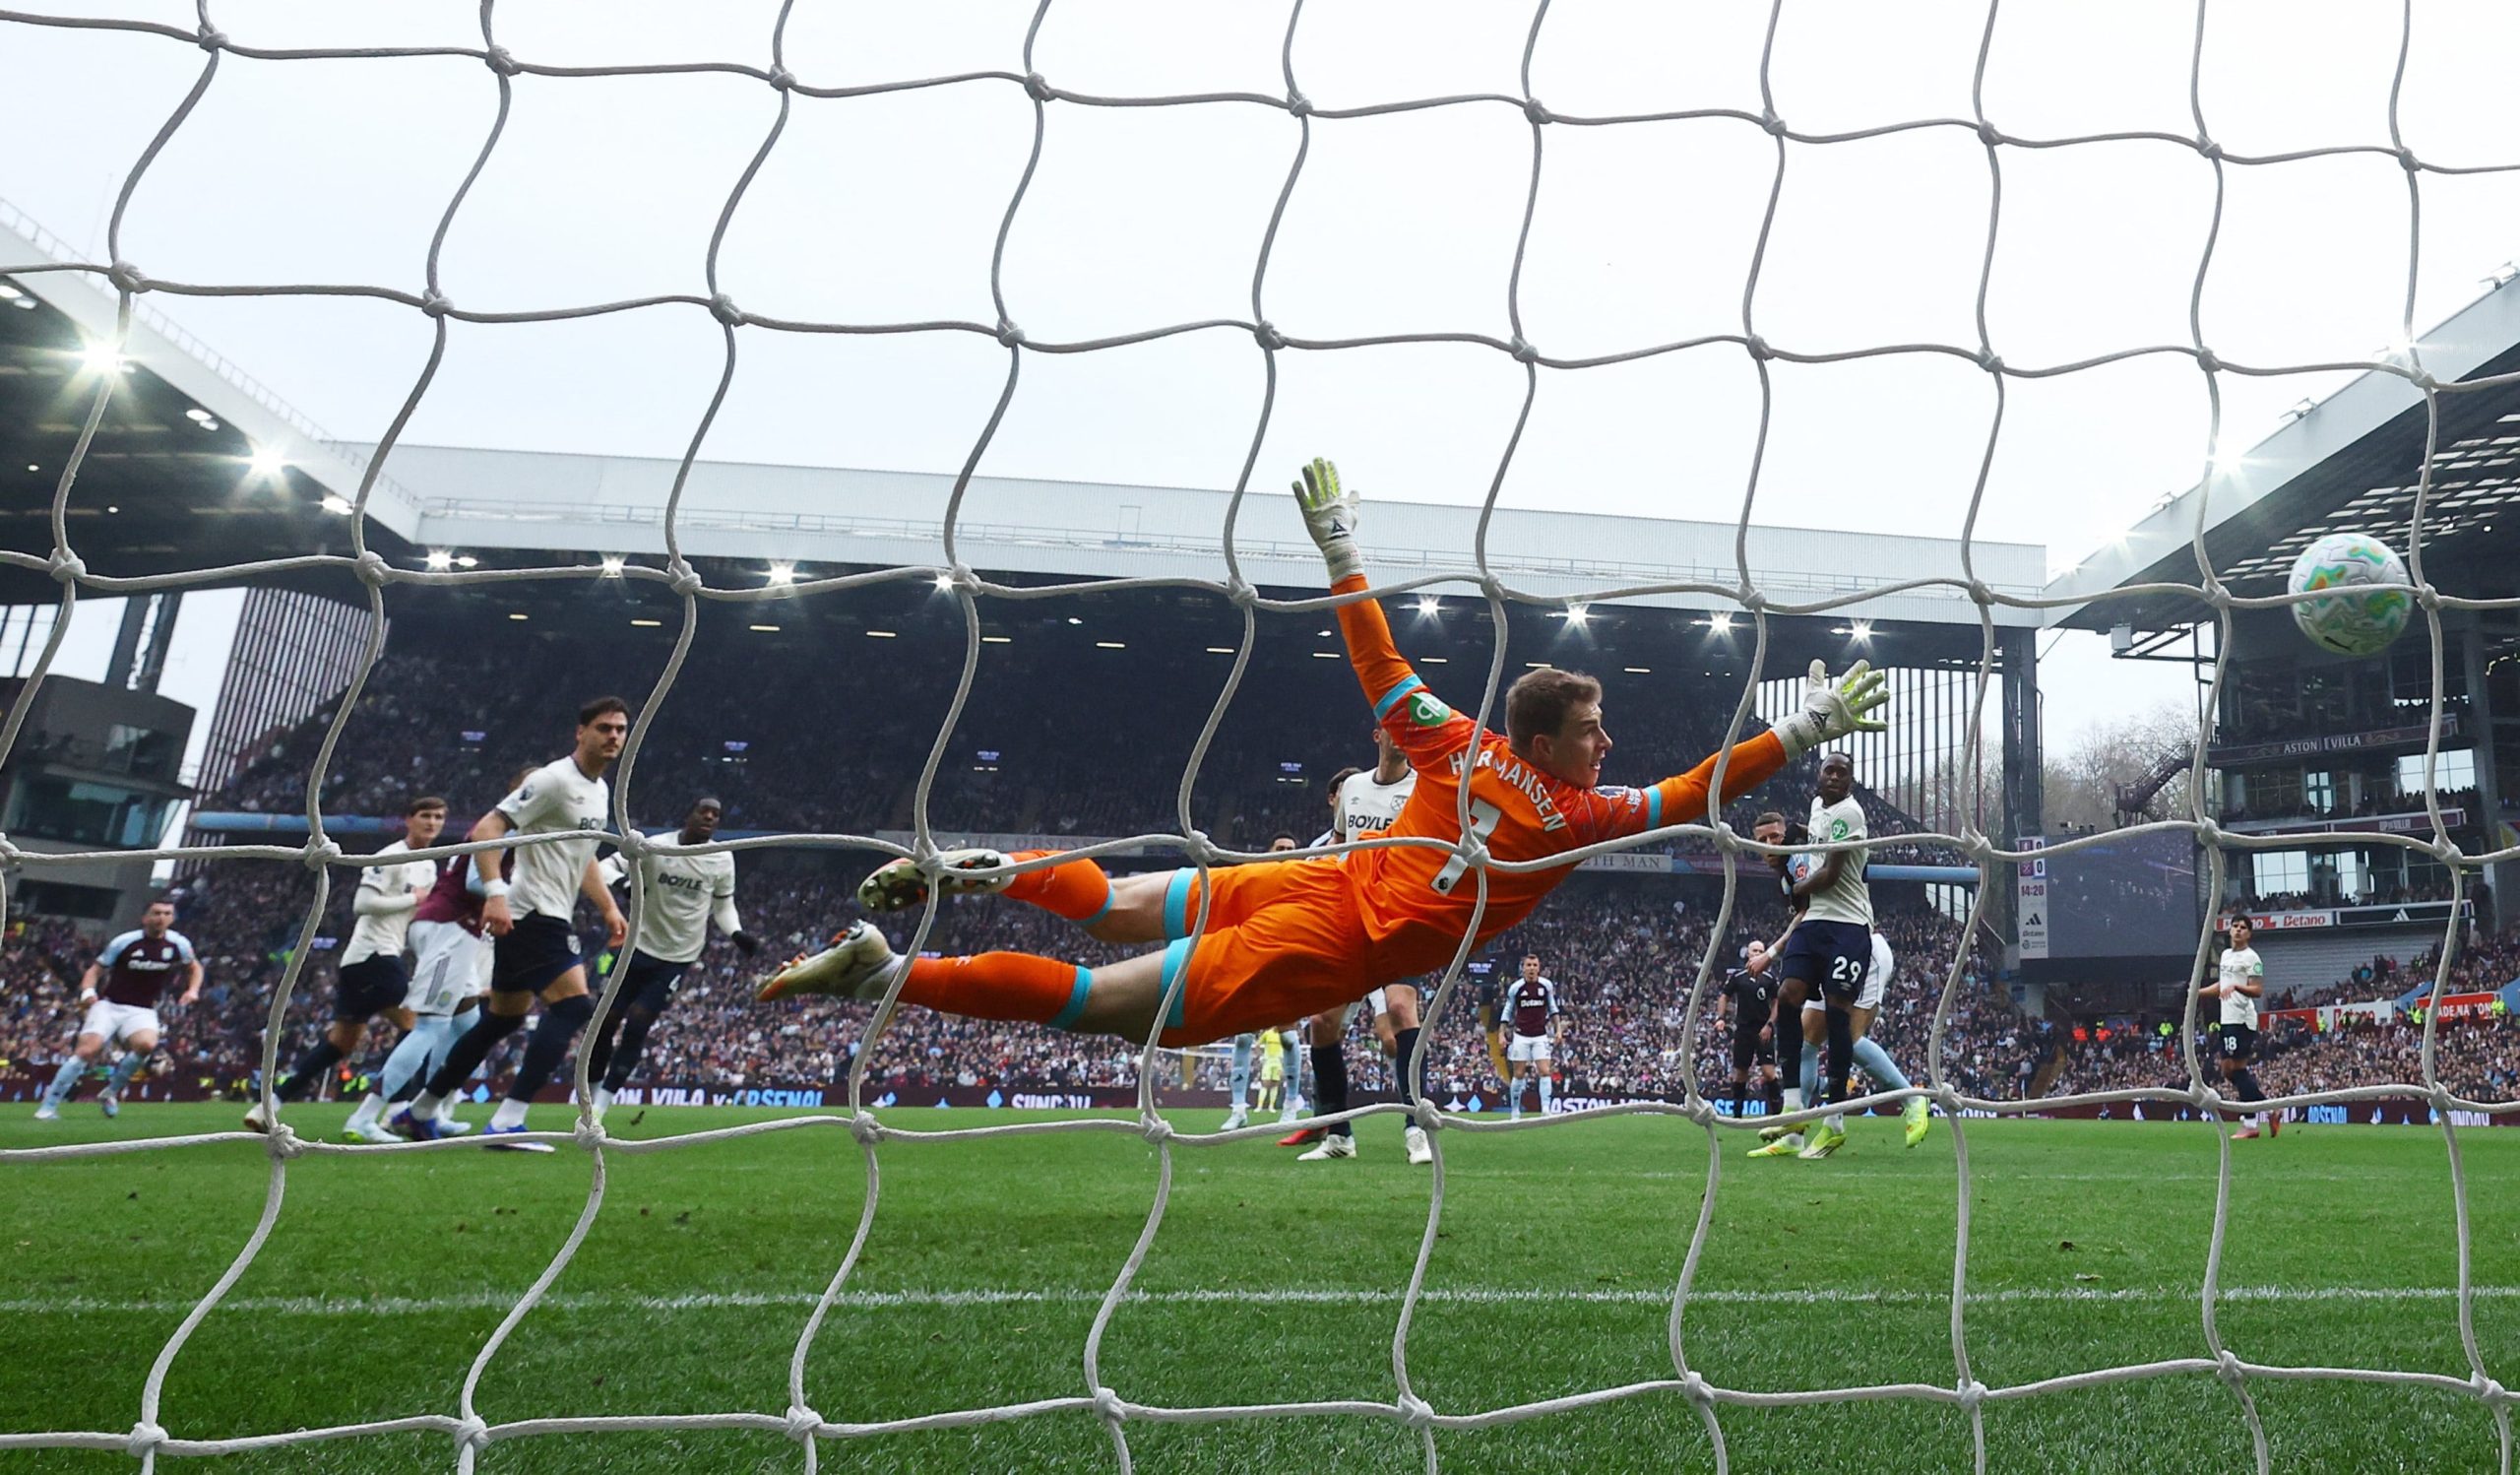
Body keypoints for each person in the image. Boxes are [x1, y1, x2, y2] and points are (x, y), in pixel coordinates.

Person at [761, 458, 1885, 1067]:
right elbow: (1696, 791)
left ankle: (995, 870)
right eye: (1593, 731)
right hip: (1336, 934)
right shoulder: (1576, 818)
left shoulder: (1460, 741)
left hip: (1315, 876)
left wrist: (1341, 549)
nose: (1607, 746)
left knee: (1115, 905)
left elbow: (1378, 660)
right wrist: (1801, 730)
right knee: (1108, 1005)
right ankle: (885, 970)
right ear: (1551, 740)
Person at [395, 699, 631, 1147]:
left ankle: (423, 1108)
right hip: (531, 913)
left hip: (543, 913)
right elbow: (487, 829)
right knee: (574, 1008)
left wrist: (607, 908)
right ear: (580, 732)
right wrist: (496, 894)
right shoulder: (552, 779)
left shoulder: (598, 790)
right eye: (604, 728)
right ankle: (508, 1120)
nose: (614, 736)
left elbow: (581, 859)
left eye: (620, 729)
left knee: (502, 1020)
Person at [248, 797, 444, 1133]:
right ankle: (391, 1112)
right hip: (373, 956)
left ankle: (269, 1105)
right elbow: (363, 903)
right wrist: (416, 899)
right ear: (408, 819)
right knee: (417, 1027)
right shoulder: (389, 856)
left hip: (367, 960)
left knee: (341, 1043)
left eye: (439, 817)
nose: (432, 822)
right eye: (425, 815)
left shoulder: (428, 864)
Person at [1294, 731, 1432, 1164]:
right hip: (1350, 914)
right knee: (1321, 1021)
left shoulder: (1423, 789)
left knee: (1401, 1009)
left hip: (1398, 913)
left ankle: (1416, 1130)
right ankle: (1339, 1135)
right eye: (1395, 729)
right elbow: (1339, 845)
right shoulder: (1353, 788)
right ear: (1378, 735)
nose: (1402, 738)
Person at [584, 798, 758, 1122]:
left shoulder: (721, 859)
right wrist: (623, 883)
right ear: (688, 814)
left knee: (637, 1022)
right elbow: (605, 867)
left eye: (716, 814)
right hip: (637, 947)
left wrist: (736, 934)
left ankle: (601, 1107)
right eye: (703, 811)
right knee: (605, 1024)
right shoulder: (655, 847)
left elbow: (723, 906)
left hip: (678, 957)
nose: (709, 817)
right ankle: (591, 1101)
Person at [34, 899, 201, 1121]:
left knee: (147, 1044)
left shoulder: (178, 944)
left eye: (167, 913)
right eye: (157, 913)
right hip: (110, 1005)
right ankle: (48, 1106)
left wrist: (193, 990)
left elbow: (194, 967)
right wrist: (88, 992)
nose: (162, 917)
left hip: (142, 1010)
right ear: (145, 918)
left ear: (172, 918)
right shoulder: (125, 942)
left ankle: (110, 1092)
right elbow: (95, 970)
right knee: (87, 1051)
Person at [2209, 915, 2276, 1140]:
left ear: (2249, 933)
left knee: (2235, 1069)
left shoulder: (2252, 958)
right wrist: (2198, 993)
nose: (2238, 930)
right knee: (2228, 1071)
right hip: (2227, 1019)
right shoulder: (2226, 955)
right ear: (2229, 931)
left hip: (2241, 1020)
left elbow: (2257, 990)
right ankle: (2270, 1108)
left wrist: (2238, 986)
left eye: (2243, 927)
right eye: (2235, 926)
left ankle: (2250, 1124)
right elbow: (2223, 985)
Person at [1717, 940, 1784, 1122]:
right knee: (1740, 1073)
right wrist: (1721, 1017)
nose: (1758, 953)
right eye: (1755, 950)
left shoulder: (1769, 979)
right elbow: (1724, 995)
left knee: (1769, 1072)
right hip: (1744, 1030)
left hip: (1764, 1030)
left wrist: (1770, 1024)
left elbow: (1777, 1001)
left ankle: (1777, 1115)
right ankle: (1737, 1117)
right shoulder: (1739, 977)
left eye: (1761, 951)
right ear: (1748, 953)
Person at [1500, 954, 1562, 1121]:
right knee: (1519, 1073)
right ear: (1523, 968)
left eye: (1535, 965)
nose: (1532, 968)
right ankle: (1515, 1110)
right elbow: (1508, 1010)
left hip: (1540, 1035)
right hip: (1521, 1036)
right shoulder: (1516, 988)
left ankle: (1546, 1109)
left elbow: (1553, 1008)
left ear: (1539, 968)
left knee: (1544, 1070)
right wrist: (1501, 1033)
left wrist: (1558, 1029)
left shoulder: (1546, 986)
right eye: (1529, 965)